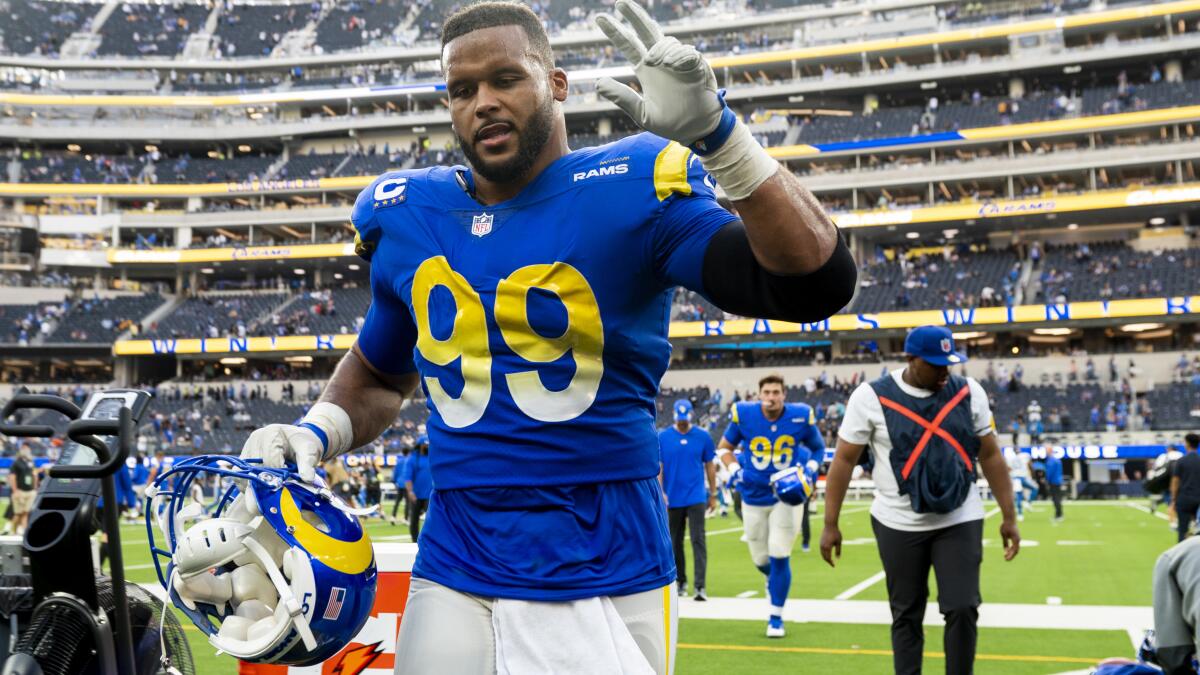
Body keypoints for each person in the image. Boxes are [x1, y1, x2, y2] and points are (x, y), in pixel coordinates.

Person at [237, 0, 855, 670]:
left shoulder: (629, 188)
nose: (483, 103)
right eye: (462, 90)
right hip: (456, 551)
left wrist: (723, 139)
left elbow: (813, 283)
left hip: (603, 557)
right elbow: (382, 371)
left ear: (556, 82)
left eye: (506, 79)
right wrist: (317, 429)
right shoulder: (410, 214)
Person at [821, 325, 1020, 675]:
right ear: (910, 359)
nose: (945, 371)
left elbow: (990, 456)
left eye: (949, 363)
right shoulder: (869, 396)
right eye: (935, 364)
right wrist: (830, 524)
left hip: (959, 515)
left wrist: (1009, 516)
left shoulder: (970, 391)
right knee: (907, 613)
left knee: (961, 606)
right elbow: (844, 460)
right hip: (896, 520)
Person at [717, 374, 825, 637]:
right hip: (752, 493)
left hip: (785, 495)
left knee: (779, 552)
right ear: (759, 394)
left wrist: (810, 469)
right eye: (766, 392)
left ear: (784, 394)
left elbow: (818, 448)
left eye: (776, 392)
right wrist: (734, 470)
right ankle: (771, 579)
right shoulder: (744, 414)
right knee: (760, 558)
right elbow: (724, 448)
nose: (771, 397)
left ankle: (775, 617)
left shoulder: (801, 415)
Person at [658, 399, 717, 601]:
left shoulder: (702, 437)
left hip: (696, 496)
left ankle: (700, 586)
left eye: (685, 419)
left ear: (691, 416)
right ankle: (680, 581)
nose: (682, 423)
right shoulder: (663, 437)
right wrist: (660, 492)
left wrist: (714, 493)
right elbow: (660, 467)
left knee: (698, 539)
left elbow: (710, 465)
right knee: (675, 541)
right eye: (680, 420)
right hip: (672, 497)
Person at [402, 434, 433, 541]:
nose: (428, 446)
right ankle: (414, 540)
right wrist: (410, 492)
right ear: (420, 445)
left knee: (432, 520)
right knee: (414, 520)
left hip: (430, 494)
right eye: (426, 445)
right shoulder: (412, 459)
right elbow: (407, 477)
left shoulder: (432, 457)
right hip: (416, 494)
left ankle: (430, 541)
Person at [1171, 433, 1200, 542]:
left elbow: (1175, 481)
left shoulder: (1182, 461)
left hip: (1185, 499)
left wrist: (1173, 499)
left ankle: (1182, 555)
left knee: (1183, 530)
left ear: (1187, 443)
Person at [8, 443, 37, 536]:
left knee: (26, 512)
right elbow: (12, 477)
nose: (26, 450)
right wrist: (15, 491)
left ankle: (25, 533)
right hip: (20, 491)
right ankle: (13, 530)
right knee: (18, 513)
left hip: (30, 491)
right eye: (24, 448)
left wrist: (35, 488)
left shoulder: (30, 462)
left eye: (28, 448)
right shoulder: (16, 462)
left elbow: (34, 475)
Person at [1007, 448, 1036, 521]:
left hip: (1016, 478)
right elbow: (1030, 464)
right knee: (1034, 489)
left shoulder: (1010, 458)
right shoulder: (1024, 456)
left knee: (1019, 495)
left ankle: (1020, 513)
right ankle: (1028, 503)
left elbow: (1008, 469)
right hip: (1021, 478)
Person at [1045, 450, 1064, 522]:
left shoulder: (1051, 461)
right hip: (1058, 481)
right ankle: (1059, 514)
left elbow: (1049, 472)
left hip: (1053, 482)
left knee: (1055, 499)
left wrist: (1047, 480)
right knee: (1058, 498)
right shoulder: (1057, 461)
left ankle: (1058, 515)